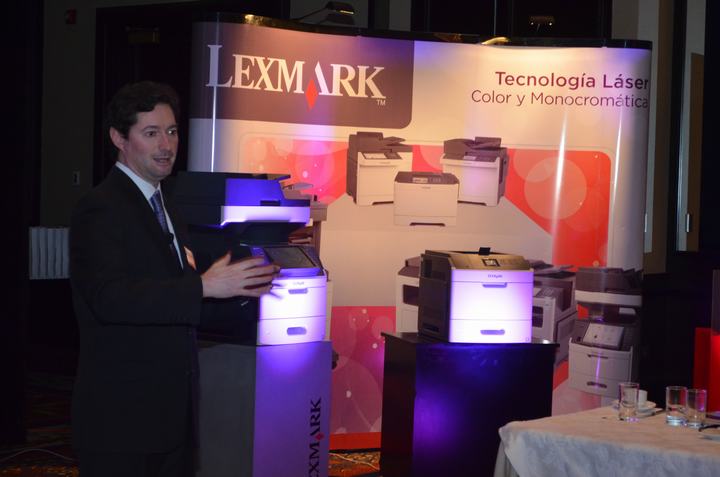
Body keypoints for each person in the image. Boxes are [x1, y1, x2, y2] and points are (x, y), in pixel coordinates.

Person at [69, 81, 278, 476]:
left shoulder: (165, 204)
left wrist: (243, 290)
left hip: (172, 416)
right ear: (119, 138)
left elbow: (179, 301)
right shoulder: (100, 208)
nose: (166, 145)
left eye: (171, 131)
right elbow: (109, 299)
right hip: (122, 419)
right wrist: (205, 286)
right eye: (151, 133)